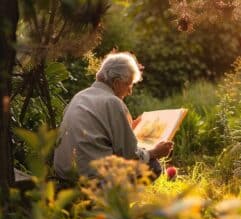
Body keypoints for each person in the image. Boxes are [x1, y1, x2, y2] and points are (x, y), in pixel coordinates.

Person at [53, 52, 173, 181]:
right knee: (153, 165)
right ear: (116, 82)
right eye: (129, 84)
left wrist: (128, 129)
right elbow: (130, 156)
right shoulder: (113, 102)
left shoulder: (79, 96)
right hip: (91, 180)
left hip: (64, 175)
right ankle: (115, 200)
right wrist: (155, 152)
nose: (130, 91)